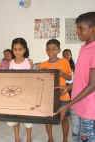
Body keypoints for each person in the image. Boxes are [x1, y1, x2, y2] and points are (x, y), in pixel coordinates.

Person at [57, 12, 95, 142]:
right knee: (75, 137)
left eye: (81, 28)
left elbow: (92, 85)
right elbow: (81, 78)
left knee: (86, 139)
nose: (77, 32)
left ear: (93, 29)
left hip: (89, 110)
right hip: (77, 105)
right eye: (77, 28)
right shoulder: (83, 48)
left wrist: (68, 105)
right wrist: (69, 87)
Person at [38, 39, 72, 142]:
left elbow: (69, 78)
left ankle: (65, 139)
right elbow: (41, 82)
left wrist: (62, 73)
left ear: (59, 50)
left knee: (64, 119)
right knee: (48, 119)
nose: (51, 51)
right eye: (48, 49)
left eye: (54, 49)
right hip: (48, 96)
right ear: (45, 50)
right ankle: (50, 138)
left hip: (63, 96)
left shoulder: (64, 61)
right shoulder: (42, 65)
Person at [7, 38, 33, 142]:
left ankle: (28, 138)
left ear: (25, 50)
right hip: (14, 94)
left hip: (26, 94)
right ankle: (17, 137)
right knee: (15, 117)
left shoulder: (29, 62)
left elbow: (32, 79)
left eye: (20, 49)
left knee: (27, 118)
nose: (17, 51)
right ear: (12, 50)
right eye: (15, 49)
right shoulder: (11, 63)